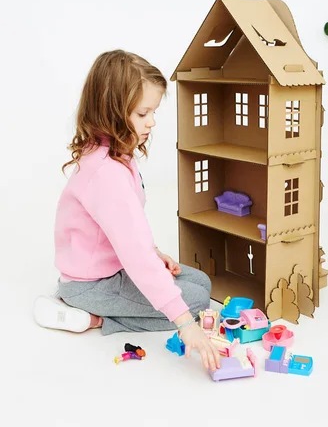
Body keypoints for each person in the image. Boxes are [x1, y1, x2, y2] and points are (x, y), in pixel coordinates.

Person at [33, 49, 220, 372]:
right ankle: (93, 317)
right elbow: (134, 254)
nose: (152, 122)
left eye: (153, 112)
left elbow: (126, 234)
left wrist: (153, 252)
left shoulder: (117, 155)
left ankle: (95, 305)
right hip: (93, 284)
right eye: (143, 113)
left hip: (111, 267)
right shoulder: (107, 173)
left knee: (201, 282)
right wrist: (185, 324)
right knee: (197, 303)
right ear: (112, 113)